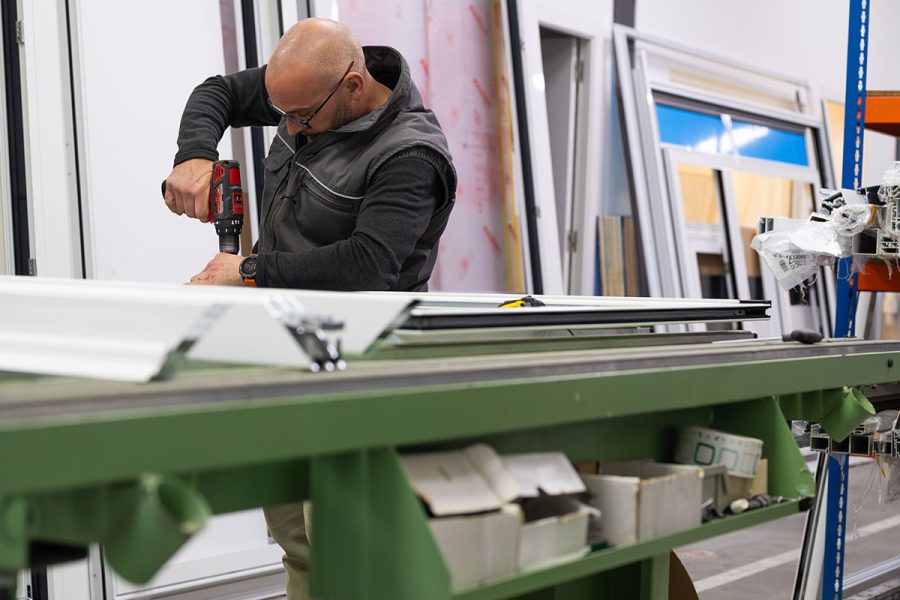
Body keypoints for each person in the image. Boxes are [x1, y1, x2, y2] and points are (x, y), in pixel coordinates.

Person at [163, 18, 456, 600]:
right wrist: (194, 154)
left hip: (358, 368)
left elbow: (369, 264)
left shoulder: (412, 154)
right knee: (295, 537)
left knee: (345, 549)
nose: (292, 127)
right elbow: (217, 92)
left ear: (352, 86)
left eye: (301, 117)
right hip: (287, 352)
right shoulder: (307, 89)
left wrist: (247, 271)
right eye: (283, 114)